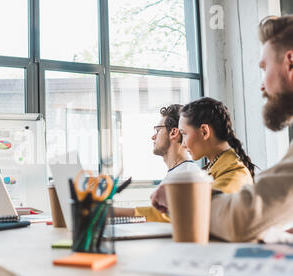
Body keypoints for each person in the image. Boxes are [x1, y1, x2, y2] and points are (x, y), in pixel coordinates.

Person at [154, 15, 293, 242]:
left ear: (290, 62)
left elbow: (241, 219)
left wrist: (181, 199)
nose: (261, 85)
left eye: (264, 68)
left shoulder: (232, 172)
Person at [114, 104, 199, 221]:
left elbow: (167, 218)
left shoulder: (188, 175)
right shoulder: (178, 173)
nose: (153, 137)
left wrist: (112, 212)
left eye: (158, 130)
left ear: (173, 132)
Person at [178, 97, 255, 193]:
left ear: (204, 132)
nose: (183, 145)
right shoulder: (215, 170)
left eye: (184, 133)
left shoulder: (234, 175)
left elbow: (201, 206)